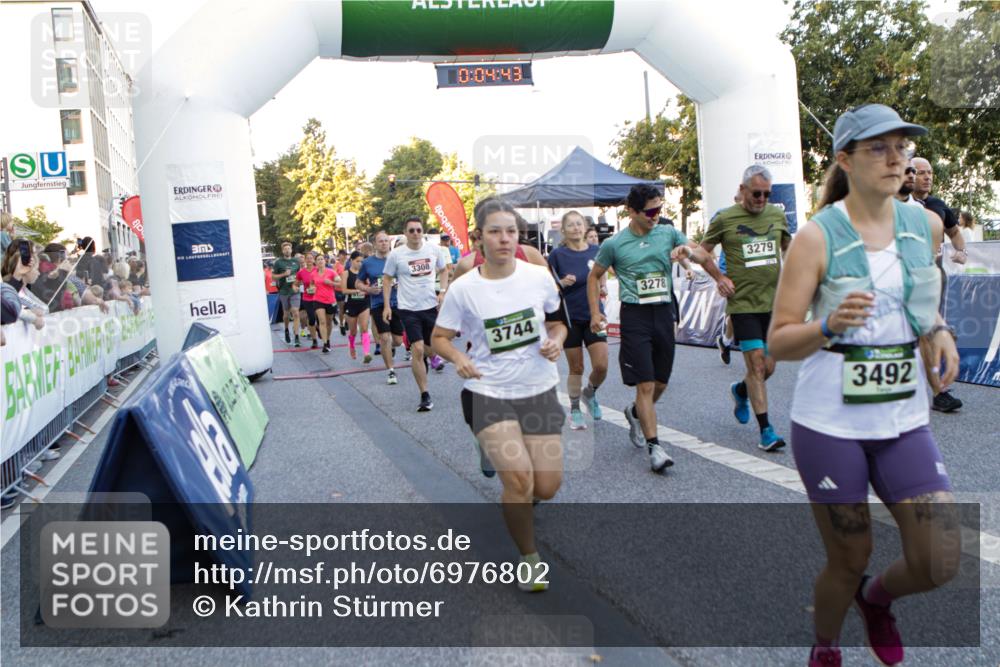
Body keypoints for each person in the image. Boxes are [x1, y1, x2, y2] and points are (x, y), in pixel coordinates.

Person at [768, 104, 960, 667]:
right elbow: (779, 340)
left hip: (903, 418)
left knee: (939, 558)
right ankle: (825, 646)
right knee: (848, 557)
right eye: (879, 147)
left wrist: (939, 331)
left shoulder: (923, 224)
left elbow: (922, 304)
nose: (896, 156)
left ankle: (876, 601)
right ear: (845, 159)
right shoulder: (816, 237)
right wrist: (828, 324)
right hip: (831, 425)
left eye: (901, 145)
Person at [431, 197, 567, 592]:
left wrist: (556, 341)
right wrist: (457, 357)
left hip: (538, 389)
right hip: (486, 391)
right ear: (479, 238)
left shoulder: (538, 276)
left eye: (511, 231)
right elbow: (439, 338)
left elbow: (559, 323)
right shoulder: (463, 288)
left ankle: (493, 455)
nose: (505, 239)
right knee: (519, 480)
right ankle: (529, 558)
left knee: (547, 487)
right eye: (495, 231)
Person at [587, 183, 730, 473]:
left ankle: (636, 412)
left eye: (659, 209)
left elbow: (703, 255)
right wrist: (594, 313)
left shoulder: (668, 233)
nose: (655, 215)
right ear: (632, 211)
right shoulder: (614, 244)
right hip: (635, 317)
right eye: (650, 211)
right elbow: (594, 276)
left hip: (664, 313)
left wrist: (691, 255)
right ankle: (655, 447)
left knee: (661, 383)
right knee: (646, 383)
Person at [700, 165, 791, 451]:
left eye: (766, 194)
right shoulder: (725, 218)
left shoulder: (776, 215)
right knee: (756, 363)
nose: (761, 199)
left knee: (768, 368)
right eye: (756, 193)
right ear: (742, 190)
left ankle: (740, 390)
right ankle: (766, 431)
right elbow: (703, 252)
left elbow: (789, 247)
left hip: (773, 302)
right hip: (743, 303)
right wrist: (720, 277)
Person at [912, 156, 965, 414]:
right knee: (923, 332)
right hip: (907, 274)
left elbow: (955, 233)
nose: (927, 177)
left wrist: (961, 251)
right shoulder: (899, 205)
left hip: (935, 274)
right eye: (921, 172)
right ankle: (934, 388)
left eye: (930, 172)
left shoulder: (937, 206)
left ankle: (937, 390)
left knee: (928, 332)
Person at [547, 210, 608, 430]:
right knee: (577, 367)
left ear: (585, 227)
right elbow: (547, 287)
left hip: (594, 314)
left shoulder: (596, 250)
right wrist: (561, 283)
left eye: (579, 224)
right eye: (571, 225)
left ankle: (589, 393)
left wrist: (603, 285)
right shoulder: (556, 255)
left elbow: (602, 273)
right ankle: (574, 409)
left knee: (601, 365)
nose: (576, 228)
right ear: (563, 230)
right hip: (568, 318)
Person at [383, 216, 449, 411]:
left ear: (422, 232)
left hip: (429, 307)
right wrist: (387, 306)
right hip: (407, 308)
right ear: (405, 233)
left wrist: (443, 292)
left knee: (430, 349)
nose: (415, 234)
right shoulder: (396, 254)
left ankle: (429, 358)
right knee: (417, 349)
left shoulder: (434, 250)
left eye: (418, 230)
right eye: (411, 230)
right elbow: (387, 280)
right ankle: (425, 394)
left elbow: (444, 270)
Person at [358, 231, 404, 383]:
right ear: (375, 244)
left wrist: (399, 283)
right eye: (381, 241)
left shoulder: (398, 258)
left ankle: (391, 349)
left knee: (397, 341)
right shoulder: (368, 263)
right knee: (384, 338)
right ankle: (391, 371)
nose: (384, 243)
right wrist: (369, 289)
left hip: (398, 302)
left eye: (386, 240)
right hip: (378, 304)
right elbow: (358, 283)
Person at [337, 251, 372, 361]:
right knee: (353, 331)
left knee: (365, 328)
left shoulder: (365, 273)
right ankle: (352, 346)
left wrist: (367, 289)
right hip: (351, 304)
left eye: (362, 262)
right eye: (357, 261)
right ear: (351, 261)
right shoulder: (346, 273)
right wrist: (357, 290)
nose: (360, 264)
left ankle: (367, 353)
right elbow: (343, 290)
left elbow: (370, 286)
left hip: (364, 303)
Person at [272, 242, 301, 346]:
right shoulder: (278, 263)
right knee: (286, 314)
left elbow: (300, 274)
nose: (287, 250)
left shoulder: (296, 262)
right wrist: (284, 274)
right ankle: (286, 330)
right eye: (285, 249)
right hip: (284, 291)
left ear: (291, 250)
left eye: (289, 249)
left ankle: (297, 336)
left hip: (294, 291)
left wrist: (299, 282)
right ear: (282, 251)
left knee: (296, 312)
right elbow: (273, 277)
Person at [312, 253, 338, 354]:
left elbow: (340, 283)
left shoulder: (331, 272)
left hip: (330, 300)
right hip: (318, 300)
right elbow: (311, 284)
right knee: (322, 322)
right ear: (316, 262)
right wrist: (311, 288)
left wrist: (331, 283)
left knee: (329, 322)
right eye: (318, 259)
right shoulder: (313, 274)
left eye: (322, 259)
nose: (320, 261)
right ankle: (325, 343)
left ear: (325, 261)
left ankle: (328, 338)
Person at [297, 252, 320, 348]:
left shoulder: (318, 270)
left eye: (311, 258)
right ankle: (314, 340)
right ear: (305, 260)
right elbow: (296, 283)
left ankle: (319, 328)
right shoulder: (301, 272)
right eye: (308, 258)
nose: (309, 260)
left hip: (319, 297)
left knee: (320, 319)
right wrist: (296, 287)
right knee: (311, 319)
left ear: (314, 260)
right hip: (307, 298)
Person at [334, 249, 350, 335]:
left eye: (345, 255)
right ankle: (341, 324)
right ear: (339, 256)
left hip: (347, 289)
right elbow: (334, 275)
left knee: (347, 308)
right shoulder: (336, 265)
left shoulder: (349, 264)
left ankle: (346, 322)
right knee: (342, 308)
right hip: (339, 290)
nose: (343, 256)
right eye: (342, 255)